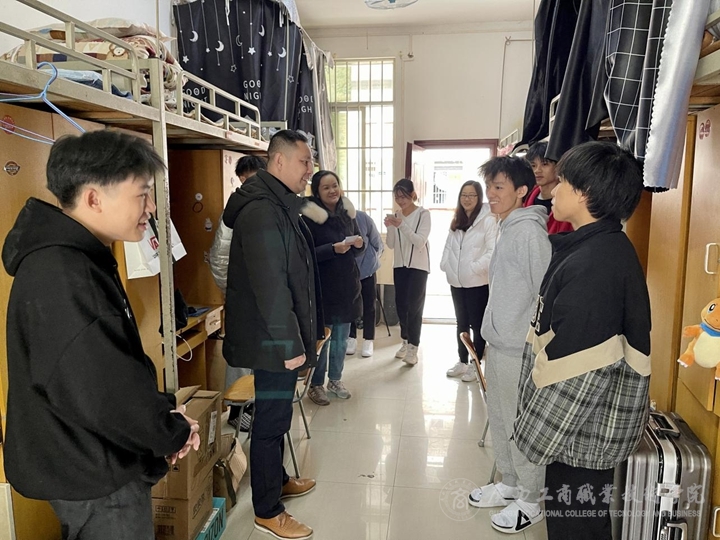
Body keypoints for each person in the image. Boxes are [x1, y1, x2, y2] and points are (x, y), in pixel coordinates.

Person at [2, 130, 200, 540]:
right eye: (142, 194)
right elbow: (107, 393)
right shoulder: (66, 275)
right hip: (95, 473)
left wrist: (164, 417)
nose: (151, 208)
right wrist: (170, 431)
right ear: (94, 199)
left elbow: (110, 369)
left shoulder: (76, 259)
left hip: (85, 458)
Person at [513, 142, 650, 540]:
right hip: (582, 433)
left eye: (564, 182)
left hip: (583, 434)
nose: (553, 190)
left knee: (576, 526)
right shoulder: (597, 247)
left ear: (587, 193)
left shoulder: (596, 264)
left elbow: (579, 371)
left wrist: (534, 437)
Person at [222, 130, 323, 539]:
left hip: (274, 336)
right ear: (279, 161)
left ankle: (277, 479)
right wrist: (290, 344)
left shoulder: (279, 203)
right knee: (271, 420)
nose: (310, 170)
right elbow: (271, 286)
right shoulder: (262, 211)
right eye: (304, 161)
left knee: (277, 417)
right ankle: (267, 510)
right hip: (272, 341)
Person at [468, 156, 551, 535]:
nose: (491, 194)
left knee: (521, 424)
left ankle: (531, 500)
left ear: (522, 190)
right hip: (500, 344)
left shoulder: (529, 233)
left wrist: (531, 343)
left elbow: (544, 293)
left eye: (499, 187)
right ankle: (510, 483)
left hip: (520, 349)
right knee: (501, 419)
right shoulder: (506, 227)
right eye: (489, 187)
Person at [208, 154, 267, 431]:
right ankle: (237, 410)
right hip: (242, 296)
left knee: (261, 354)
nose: (248, 185)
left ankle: (255, 404)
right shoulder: (235, 209)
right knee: (242, 354)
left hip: (266, 298)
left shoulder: (273, 205)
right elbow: (219, 257)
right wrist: (232, 291)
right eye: (244, 180)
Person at [302, 170, 364, 406]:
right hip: (323, 288)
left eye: (335, 185)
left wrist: (359, 244)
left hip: (347, 286)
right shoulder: (309, 216)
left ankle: (335, 380)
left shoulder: (347, 213)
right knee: (324, 339)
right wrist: (331, 249)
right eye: (326, 187)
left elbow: (359, 247)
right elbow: (305, 254)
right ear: (317, 192)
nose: (332, 191)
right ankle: (316, 384)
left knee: (340, 339)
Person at [440, 180, 498, 382]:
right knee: (461, 323)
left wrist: (473, 268)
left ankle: (476, 364)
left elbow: (492, 252)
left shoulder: (488, 220)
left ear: (479, 197)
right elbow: (448, 245)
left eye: (471, 195)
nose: (467, 199)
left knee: (477, 325)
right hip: (456, 281)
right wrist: (445, 264)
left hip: (477, 283)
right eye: (464, 195)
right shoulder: (458, 219)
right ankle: (462, 361)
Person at [384, 178, 431, 366]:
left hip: (418, 267)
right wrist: (390, 227)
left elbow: (419, 241)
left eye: (403, 196)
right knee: (401, 306)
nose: (400, 201)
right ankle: (405, 341)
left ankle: (413, 347)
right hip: (399, 266)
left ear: (412, 195)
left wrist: (401, 225)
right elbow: (391, 244)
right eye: (397, 197)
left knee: (414, 307)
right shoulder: (397, 214)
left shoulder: (423, 214)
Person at [346, 209, 384, 358]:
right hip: (348, 271)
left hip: (367, 269)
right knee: (350, 304)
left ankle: (368, 339)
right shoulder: (335, 219)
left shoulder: (362, 217)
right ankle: (351, 337)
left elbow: (377, 242)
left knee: (369, 305)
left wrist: (371, 260)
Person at [524, 141, 573, 234]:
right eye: (533, 165)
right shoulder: (527, 197)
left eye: (544, 164)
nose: (537, 170)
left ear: (558, 166)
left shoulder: (569, 200)